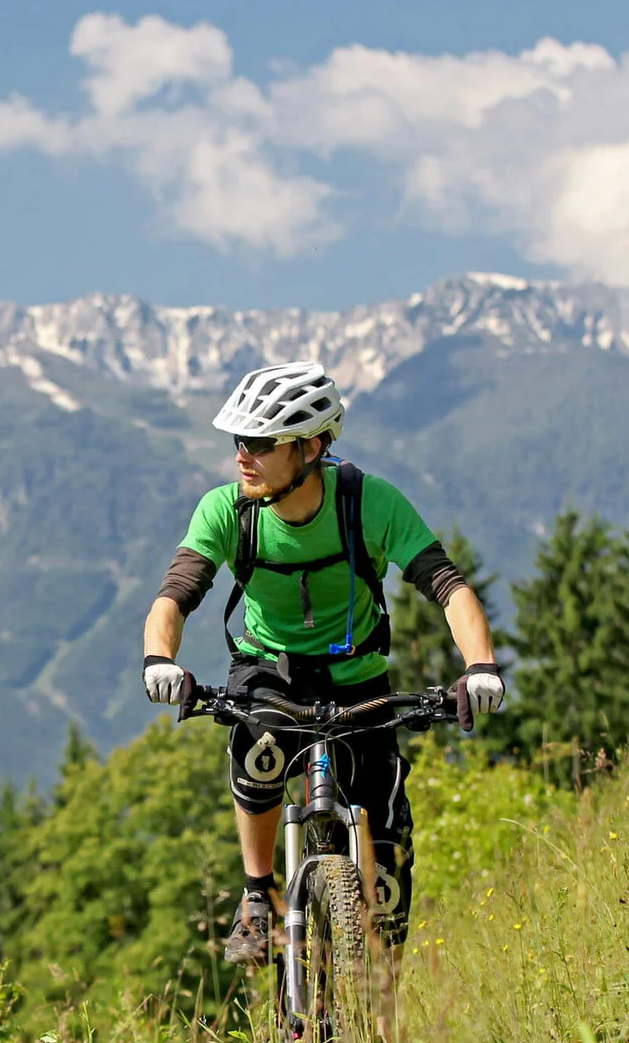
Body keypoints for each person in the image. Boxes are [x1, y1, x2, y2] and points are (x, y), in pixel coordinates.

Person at [139, 361, 506, 966]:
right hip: (269, 676)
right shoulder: (226, 511)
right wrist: (161, 659)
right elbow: (174, 595)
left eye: (259, 443)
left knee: (386, 847)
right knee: (256, 751)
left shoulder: (369, 503)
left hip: (360, 682)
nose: (242, 457)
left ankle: (379, 1002)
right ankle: (258, 899)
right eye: (238, 441)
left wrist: (481, 666)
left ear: (310, 447)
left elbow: (447, 585)